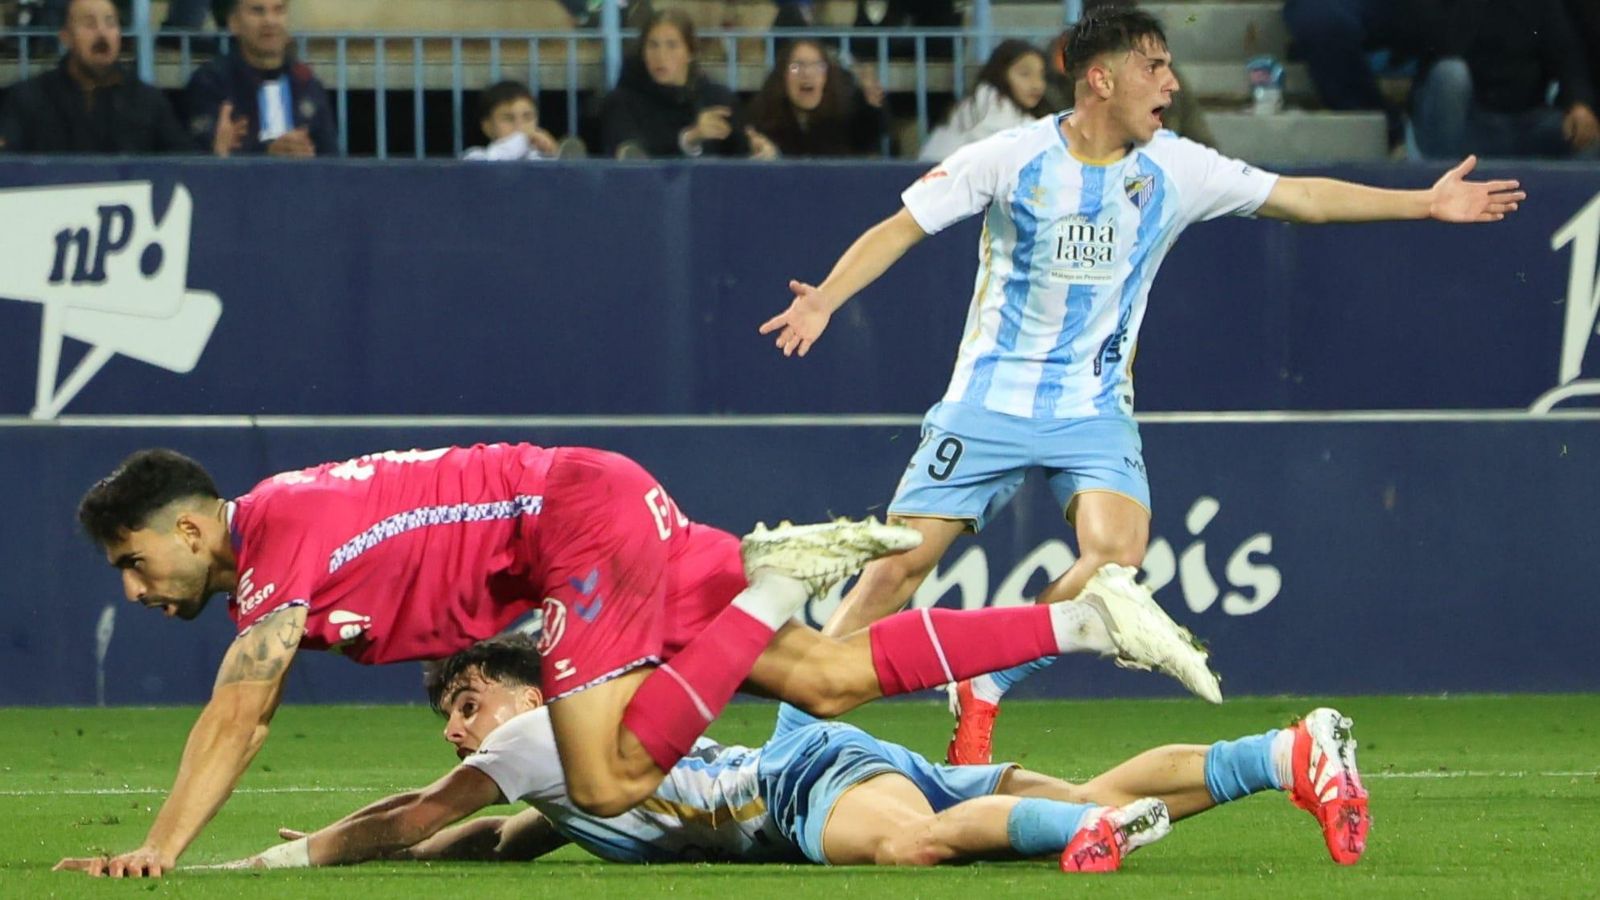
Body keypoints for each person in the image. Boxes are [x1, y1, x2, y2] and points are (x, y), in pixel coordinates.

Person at [759, 5, 1523, 767]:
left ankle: (989, 676)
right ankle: (790, 741)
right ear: (1101, 78)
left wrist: (1423, 202)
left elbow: (1305, 198)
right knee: (895, 568)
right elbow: (903, 225)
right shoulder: (1010, 158)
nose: (1171, 82)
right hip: (988, 401)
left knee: (1116, 557)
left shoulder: (1176, 169)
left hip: (1093, 410)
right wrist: (824, 297)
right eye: (1154, 67)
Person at [54, 442, 1219, 878]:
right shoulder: (287, 525)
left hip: (574, 530)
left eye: (131, 559)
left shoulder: (275, 546)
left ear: (192, 529)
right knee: (823, 677)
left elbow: (238, 714)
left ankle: (771, 580)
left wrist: (158, 852)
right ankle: (1082, 621)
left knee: (606, 778)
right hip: (596, 504)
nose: (132, 586)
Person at [207, 635, 1367, 873]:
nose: (464, 727)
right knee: (1084, 788)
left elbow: (418, 810)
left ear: (514, 688)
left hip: (795, 784)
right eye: (452, 714)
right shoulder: (552, 786)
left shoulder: (536, 726)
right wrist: (408, 859)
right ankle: (1282, 752)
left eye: (465, 699)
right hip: (816, 758)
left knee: (913, 849)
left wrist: (295, 859)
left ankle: (1090, 836)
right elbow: (487, 840)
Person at [1409, 0, 1599, 160]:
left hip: (1527, 120)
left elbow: (1567, 56)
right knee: (1451, 73)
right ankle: (1443, 182)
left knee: (1587, 138)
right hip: (1469, 122)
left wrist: (1579, 103)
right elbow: (1444, 46)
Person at [0, 0, 191, 154]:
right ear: (66, 37)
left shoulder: (148, 101)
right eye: (89, 24)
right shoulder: (29, 98)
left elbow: (183, 163)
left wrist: (216, 158)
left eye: (110, 23)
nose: (102, 33)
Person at [598, 8, 774, 160]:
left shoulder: (718, 100)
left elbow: (740, 158)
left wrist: (760, 152)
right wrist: (690, 138)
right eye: (653, 45)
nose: (661, 56)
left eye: (672, 45)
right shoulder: (622, 102)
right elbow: (632, 158)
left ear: (690, 53)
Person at [183, 0, 337, 158]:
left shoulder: (306, 82)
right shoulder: (210, 82)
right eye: (257, 11)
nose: (270, 21)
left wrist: (310, 158)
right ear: (234, 23)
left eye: (279, 10)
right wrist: (267, 155)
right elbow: (197, 161)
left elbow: (333, 160)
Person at [746, 39, 888, 158]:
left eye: (818, 66)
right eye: (796, 67)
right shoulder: (763, 116)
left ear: (827, 78)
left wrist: (873, 107)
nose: (807, 74)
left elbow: (869, 140)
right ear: (782, 77)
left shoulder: (846, 113)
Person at [920, 39, 1048, 162]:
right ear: (1001, 74)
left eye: (1041, 75)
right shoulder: (986, 110)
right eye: (1024, 74)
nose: (1037, 84)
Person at [462, 80, 561, 161]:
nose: (519, 126)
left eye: (528, 118)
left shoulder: (541, 159)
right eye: (508, 119)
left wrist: (554, 156)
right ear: (487, 127)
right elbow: (495, 161)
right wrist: (522, 140)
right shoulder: (475, 157)